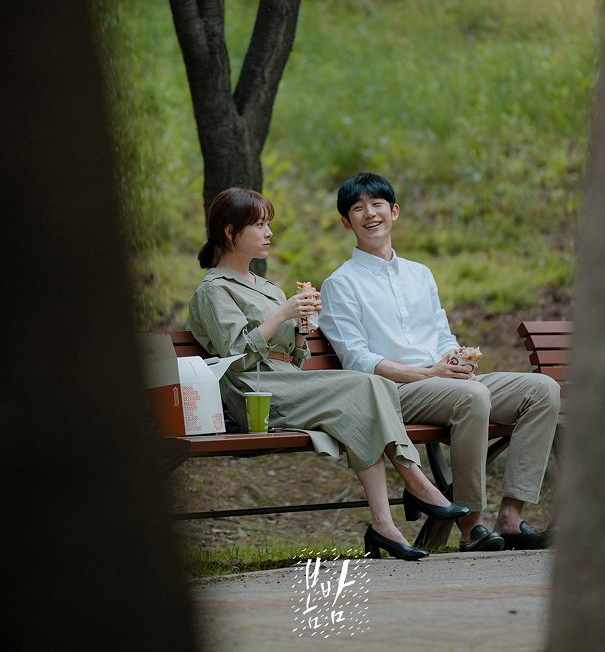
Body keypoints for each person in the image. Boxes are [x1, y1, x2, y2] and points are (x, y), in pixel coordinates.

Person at [188, 186, 470, 561]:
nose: (269, 233)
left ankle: (384, 524)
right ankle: (417, 483)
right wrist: (282, 315)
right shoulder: (213, 290)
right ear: (229, 232)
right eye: (259, 225)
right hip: (253, 391)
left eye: (268, 224)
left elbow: (294, 356)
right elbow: (236, 355)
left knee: (368, 392)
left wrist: (302, 329)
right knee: (367, 386)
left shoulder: (268, 287)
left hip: (287, 382)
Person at [318, 172, 561, 552]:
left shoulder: (420, 274)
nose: (370, 213)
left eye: (378, 204)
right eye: (357, 208)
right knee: (473, 398)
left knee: (542, 390)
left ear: (394, 211)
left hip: (446, 381)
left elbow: (441, 334)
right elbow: (358, 359)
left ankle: (511, 518)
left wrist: (454, 357)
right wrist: (430, 372)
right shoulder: (341, 283)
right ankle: (471, 525)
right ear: (345, 222)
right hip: (395, 391)